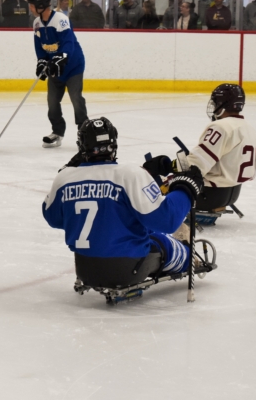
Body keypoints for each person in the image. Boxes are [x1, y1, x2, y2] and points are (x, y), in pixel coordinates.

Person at [42, 118, 205, 288]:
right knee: (162, 241)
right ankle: (187, 255)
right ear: (114, 143)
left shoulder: (65, 177)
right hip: (128, 269)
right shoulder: (130, 174)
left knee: (131, 225)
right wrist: (186, 188)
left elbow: (53, 218)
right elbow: (167, 220)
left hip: (85, 269)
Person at [175, 84, 256, 212]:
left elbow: (196, 164)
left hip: (207, 195)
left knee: (164, 185)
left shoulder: (221, 127)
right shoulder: (249, 127)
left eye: (215, 103)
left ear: (221, 104)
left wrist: (169, 166)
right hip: (232, 194)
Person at [28, 0, 88, 148]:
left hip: (73, 66)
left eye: (32, 5)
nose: (30, 8)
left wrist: (62, 57)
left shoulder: (60, 19)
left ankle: (84, 133)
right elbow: (39, 46)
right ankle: (57, 132)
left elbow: (68, 42)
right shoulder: (37, 23)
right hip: (55, 67)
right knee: (52, 102)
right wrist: (42, 61)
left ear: (41, 6)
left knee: (76, 99)